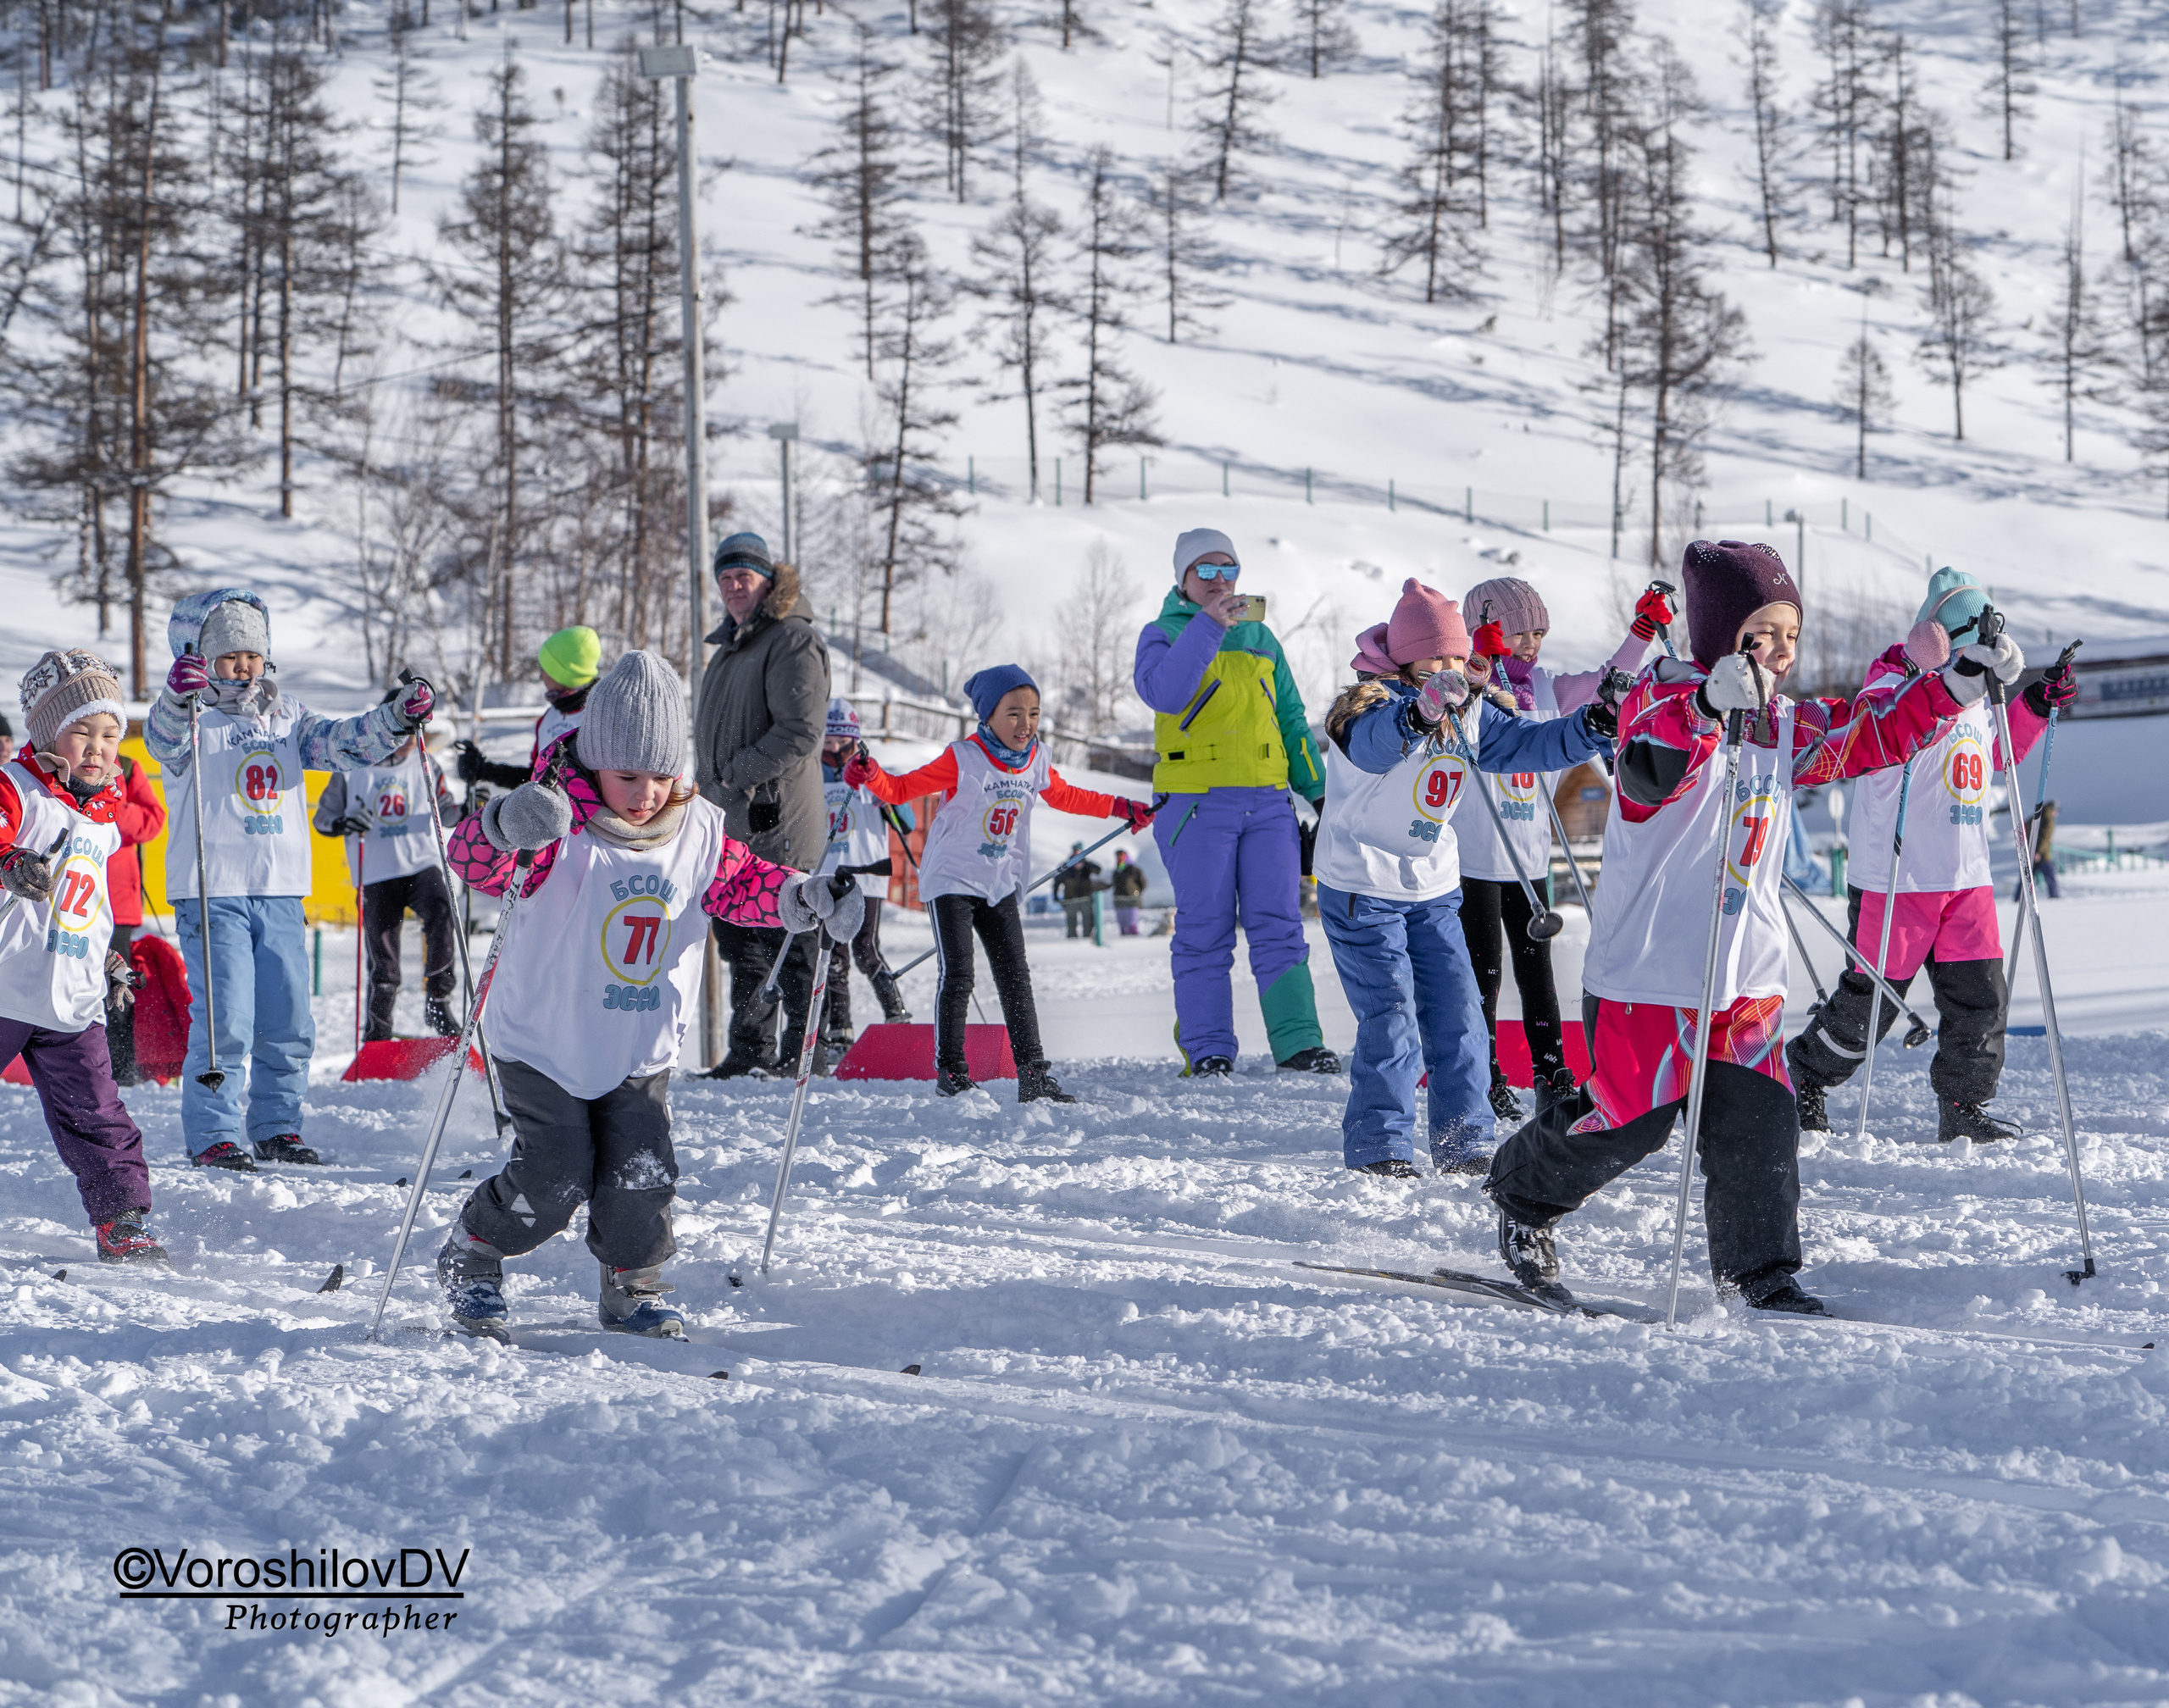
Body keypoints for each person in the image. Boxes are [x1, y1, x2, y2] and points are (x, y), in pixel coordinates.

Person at [1484, 541, 2007, 1316]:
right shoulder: (1659, 699)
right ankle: (1523, 1196)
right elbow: (1646, 775)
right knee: (1629, 1120)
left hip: (1745, 975)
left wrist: (1953, 688)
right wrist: (1703, 708)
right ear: (1721, 635)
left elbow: (1868, 734)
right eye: (1763, 634)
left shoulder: (1784, 723)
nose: (1782, 651)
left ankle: (1759, 1271)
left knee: (1761, 1124)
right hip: (1650, 971)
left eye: (1792, 634)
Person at [437, 651, 860, 1340]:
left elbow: (743, 884)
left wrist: (802, 897)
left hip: (638, 1046)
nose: (645, 795)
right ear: (593, 761)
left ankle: (632, 1284)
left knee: (642, 1173)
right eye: (628, 777)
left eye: (661, 777)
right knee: (554, 1178)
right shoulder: (556, 821)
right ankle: (476, 1248)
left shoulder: (698, 828)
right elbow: (472, 862)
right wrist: (501, 824)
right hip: (544, 1042)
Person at [1318, 583, 1611, 1177]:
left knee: (1461, 1015)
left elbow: (1531, 742)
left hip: (1431, 891)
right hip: (1363, 889)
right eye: (1435, 658)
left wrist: (1595, 723)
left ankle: (1464, 1140)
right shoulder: (1366, 706)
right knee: (1393, 1016)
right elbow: (1376, 747)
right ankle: (1381, 1147)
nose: (1449, 668)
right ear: (1407, 659)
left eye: (1457, 656)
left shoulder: (1472, 711)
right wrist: (1420, 712)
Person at [146, 589, 430, 1173]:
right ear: (200, 656)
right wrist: (176, 696)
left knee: (289, 1017)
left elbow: (345, 743)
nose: (243, 667)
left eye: (253, 655)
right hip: (213, 890)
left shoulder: (287, 716)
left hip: (279, 888)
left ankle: (277, 1125)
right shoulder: (191, 716)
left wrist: (396, 718)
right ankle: (214, 1132)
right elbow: (161, 741)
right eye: (229, 657)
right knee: (227, 1018)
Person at [1786, 568, 2072, 1144]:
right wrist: (1950, 680)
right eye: (1967, 643)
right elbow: (1887, 730)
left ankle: (1964, 1106)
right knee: (1873, 1005)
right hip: (1898, 879)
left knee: (1981, 1000)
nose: (1977, 656)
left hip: (1966, 877)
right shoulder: (1892, 680)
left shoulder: (1978, 695)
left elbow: (1999, 750)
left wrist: (2035, 703)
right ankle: (1805, 1075)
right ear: (1937, 641)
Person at [846, 664, 1153, 1102]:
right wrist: (870, 774)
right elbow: (899, 789)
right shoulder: (963, 758)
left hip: (999, 881)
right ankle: (952, 1072)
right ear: (988, 715)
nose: (1025, 724)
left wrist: (1121, 806)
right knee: (959, 974)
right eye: (1013, 713)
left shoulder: (1036, 759)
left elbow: (1067, 796)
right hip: (951, 879)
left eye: (1034, 713)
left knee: (1015, 977)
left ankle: (1033, 1075)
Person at [1134, 528, 1337, 1079]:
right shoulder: (1161, 634)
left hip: (1269, 804)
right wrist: (1208, 626)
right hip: (1196, 806)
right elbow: (1165, 693)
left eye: (1229, 569)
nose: (1220, 580)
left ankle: (1299, 1042)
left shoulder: (1261, 638)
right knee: (1205, 930)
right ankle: (1208, 1048)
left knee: (1280, 925)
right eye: (1206, 570)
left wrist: (1318, 792)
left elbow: (1291, 719)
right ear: (1183, 578)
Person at [1456, 574, 1661, 1121]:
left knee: (1537, 973)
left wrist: (1641, 633)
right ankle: (1486, 1075)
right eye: (1519, 633)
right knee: (1483, 976)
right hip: (1473, 859)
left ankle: (1551, 1071)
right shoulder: (1466, 689)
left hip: (1528, 858)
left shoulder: (1547, 689)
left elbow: (1608, 683)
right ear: (1484, 630)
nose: (1531, 644)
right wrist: (1478, 664)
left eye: (1539, 633)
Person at [0, 650, 166, 1262]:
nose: (97, 748)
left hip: (71, 998)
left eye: (109, 735)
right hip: (8, 984)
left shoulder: (104, 817)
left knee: (98, 1111)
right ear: (49, 733)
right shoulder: (17, 788)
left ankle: (122, 1220)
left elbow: (88, 904)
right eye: (82, 733)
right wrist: (9, 858)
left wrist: (105, 963)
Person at [693, 532, 831, 1078]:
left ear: (768, 582)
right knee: (740, 938)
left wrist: (735, 773)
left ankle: (806, 1052)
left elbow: (800, 730)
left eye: (743, 577)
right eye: (725, 578)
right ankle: (751, 1051)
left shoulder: (792, 638)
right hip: (731, 817)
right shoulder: (731, 647)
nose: (733, 587)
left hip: (777, 816)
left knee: (789, 936)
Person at [313, 710, 463, 1042]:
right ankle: (379, 1029)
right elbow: (323, 818)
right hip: (376, 872)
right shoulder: (352, 768)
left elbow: (448, 812)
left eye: (414, 733)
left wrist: (471, 807)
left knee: (442, 914)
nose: (410, 741)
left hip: (420, 864)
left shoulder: (425, 764)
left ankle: (439, 1003)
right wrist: (343, 823)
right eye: (401, 733)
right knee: (384, 957)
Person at [816, 697, 912, 1062]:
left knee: (865, 949)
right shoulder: (812, 773)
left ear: (855, 739)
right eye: (828, 740)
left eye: (842, 740)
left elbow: (907, 823)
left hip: (867, 873)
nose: (834, 748)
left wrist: (888, 797)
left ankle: (896, 1014)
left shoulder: (871, 773)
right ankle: (840, 1030)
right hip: (828, 874)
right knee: (833, 954)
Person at [454, 625, 604, 791]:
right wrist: (486, 771)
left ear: (563, 673)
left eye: (545, 669)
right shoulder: (549, 718)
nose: (541, 676)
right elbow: (534, 780)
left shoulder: (600, 720)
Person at [102, 742, 167, 1086]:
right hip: (70, 900)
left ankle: (121, 1070)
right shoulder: (62, 761)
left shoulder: (127, 767)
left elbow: (153, 821)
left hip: (117, 903)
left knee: (117, 989)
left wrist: (111, 806)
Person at [1055, 843, 1103, 938]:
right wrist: (1055, 895)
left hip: (1085, 898)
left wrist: (1086, 862)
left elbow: (1098, 870)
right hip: (1071, 899)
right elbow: (1057, 881)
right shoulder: (1066, 866)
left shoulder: (1087, 866)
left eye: (1079, 851)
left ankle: (1088, 937)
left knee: (1088, 920)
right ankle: (1072, 939)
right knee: (1071, 921)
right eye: (1075, 851)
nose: (1076, 853)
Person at [2022, 800, 2061, 901]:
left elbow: (2025, 828)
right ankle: (2055, 897)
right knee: (2050, 876)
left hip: (2031, 852)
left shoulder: (2037, 816)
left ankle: (2019, 898)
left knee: (2026, 878)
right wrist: (2038, 852)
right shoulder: (2048, 820)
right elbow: (2045, 838)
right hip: (2042, 855)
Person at [1111, 849, 1147, 934]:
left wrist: (1136, 892)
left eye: (1122, 855)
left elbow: (1143, 883)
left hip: (1132, 899)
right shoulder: (1117, 871)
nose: (1120, 858)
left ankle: (1133, 936)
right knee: (1122, 921)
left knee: (1131, 920)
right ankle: (1124, 936)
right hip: (1119, 899)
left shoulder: (1134, 870)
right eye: (1118, 856)